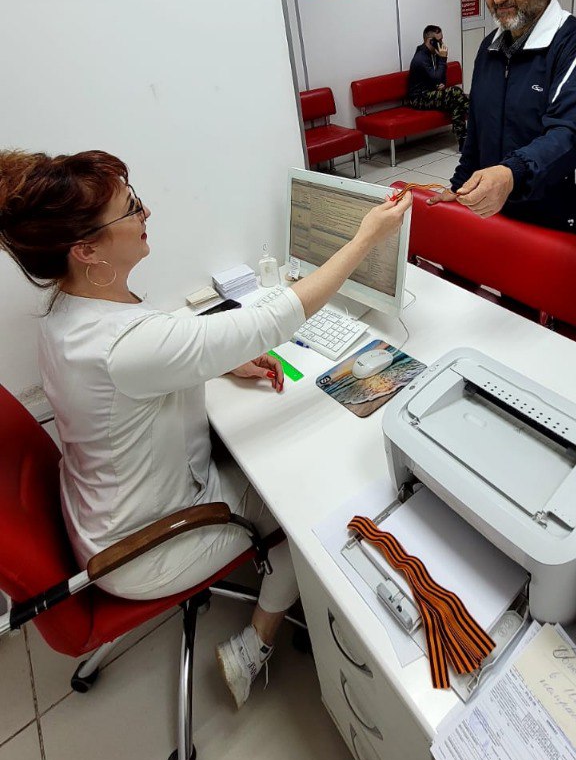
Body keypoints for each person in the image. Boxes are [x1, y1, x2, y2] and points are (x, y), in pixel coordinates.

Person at [0, 149, 411, 708]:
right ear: (87, 249)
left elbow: (136, 373)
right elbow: (270, 320)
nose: (147, 214)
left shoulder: (67, 315)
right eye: (132, 209)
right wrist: (366, 239)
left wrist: (220, 361)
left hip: (100, 515)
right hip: (144, 546)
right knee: (303, 515)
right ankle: (253, 649)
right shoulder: (124, 345)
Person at [429, 0, 576, 237]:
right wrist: (459, 186)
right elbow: (478, 129)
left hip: (562, 207)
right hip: (503, 199)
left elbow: (570, 132)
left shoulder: (575, 42)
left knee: (547, 287)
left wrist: (512, 173)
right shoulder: (489, 48)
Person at [408, 24, 469, 149]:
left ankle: (464, 140)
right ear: (430, 41)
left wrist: (441, 84)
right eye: (439, 40)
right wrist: (443, 59)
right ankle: (476, 124)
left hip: (432, 93)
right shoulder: (421, 58)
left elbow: (440, 78)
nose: (442, 43)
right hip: (419, 98)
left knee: (455, 102)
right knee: (456, 92)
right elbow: (436, 77)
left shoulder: (433, 54)